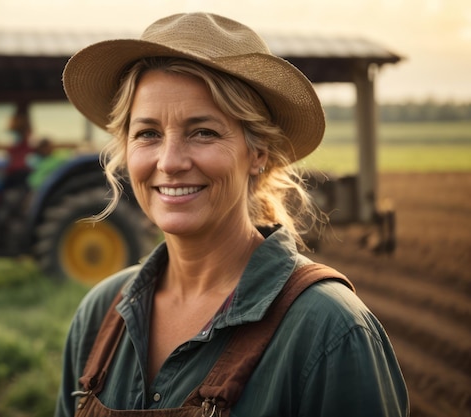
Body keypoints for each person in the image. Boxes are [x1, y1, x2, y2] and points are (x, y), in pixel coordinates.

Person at [55, 12, 409, 417]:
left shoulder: (330, 331)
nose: (169, 162)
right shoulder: (100, 316)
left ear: (257, 153)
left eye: (202, 131)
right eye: (148, 133)